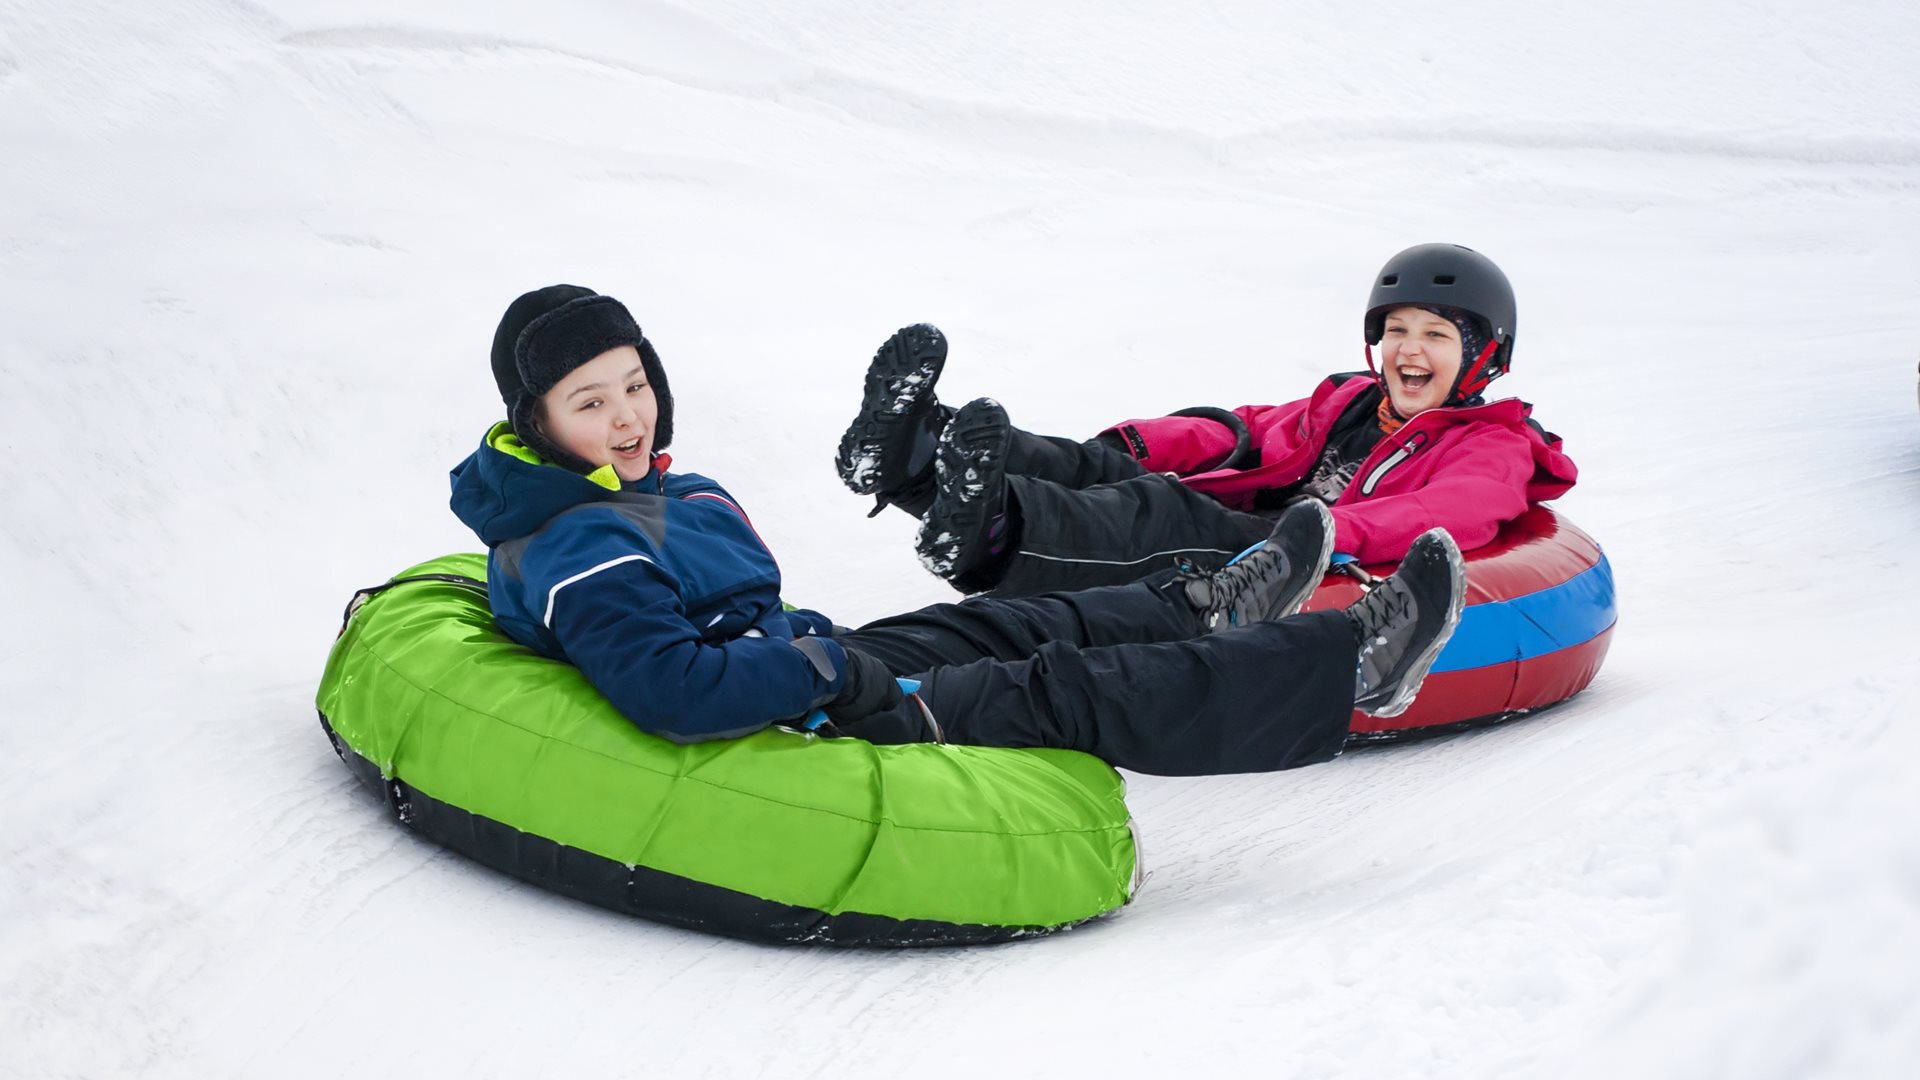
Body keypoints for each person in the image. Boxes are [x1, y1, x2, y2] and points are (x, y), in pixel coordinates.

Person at [448, 285, 1468, 777]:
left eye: (636, 385)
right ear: (537, 420)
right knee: (1061, 686)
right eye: (591, 403)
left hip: (799, 668)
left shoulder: (668, 490)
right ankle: (1351, 664)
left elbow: (738, 620)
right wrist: (814, 674)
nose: (628, 418)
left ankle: (1205, 600)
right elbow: (672, 689)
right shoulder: (581, 547)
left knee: (1005, 626)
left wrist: (812, 650)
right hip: (786, 719)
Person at [834, 243, 1578, 597]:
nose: (1409, 350)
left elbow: (1444, 512)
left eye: (1437, 336)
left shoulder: (1495, 445)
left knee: (1154, 510)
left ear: (1483, 357)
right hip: (1258, 523)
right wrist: (1141, 441)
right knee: (1108, 472)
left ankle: (991, 526)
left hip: (1298, 560)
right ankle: (914, 454)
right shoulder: (1352, 400)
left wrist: (1323, 529)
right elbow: (1249, 433)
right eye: (1397, 331)